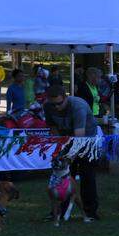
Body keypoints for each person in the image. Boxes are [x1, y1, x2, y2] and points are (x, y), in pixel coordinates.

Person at [43, 85, 100, 220]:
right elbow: (53, 128)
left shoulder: (78, 106)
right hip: (66, 140)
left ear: (66, 98)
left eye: (59, 103)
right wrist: (61, 149)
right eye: (53, 104)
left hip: (87, 141)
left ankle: (90, 212)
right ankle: (59, 212)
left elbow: (79, 137)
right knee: (62, 177)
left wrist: (70, 158)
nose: (56, 107)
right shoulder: (47, 106)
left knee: (87, 176)